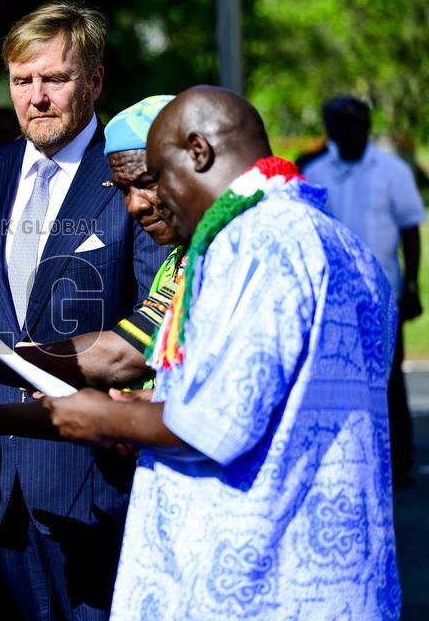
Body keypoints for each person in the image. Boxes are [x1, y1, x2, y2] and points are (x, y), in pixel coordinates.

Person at [44, 86, 400, 619]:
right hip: (339, 584)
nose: (148, 202)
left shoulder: (253, 242)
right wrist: (148, 407)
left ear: (199, 152)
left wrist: (103, 418)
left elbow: (216, 427)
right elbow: (282, 408)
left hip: (254, 584)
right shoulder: (347, 247)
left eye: (157, 179)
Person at [0, 1, 168, 620]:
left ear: (93, 81)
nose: (36, 97)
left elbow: (152, 322)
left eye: (55, 78)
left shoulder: (132, 178)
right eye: (22, 80)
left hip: (97, 480)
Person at [0, 95, 181, 436]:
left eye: (148, 183)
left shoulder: (243, 250)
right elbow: (133, 343)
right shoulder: (184, 262)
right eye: (124, 189)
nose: (136, 205)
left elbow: (124, 355)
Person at [303, 96, 424, 485]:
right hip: (332, 299)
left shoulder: (392, 170)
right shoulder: (315, 171)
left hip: (382, 295)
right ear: (330, 127)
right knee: (337, 379)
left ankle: (400, 463)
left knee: (390, 380)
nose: (350, 130)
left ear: (367, 125)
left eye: (356, 123)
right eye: (340, 123)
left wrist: (411, 284)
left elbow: (409, 228)